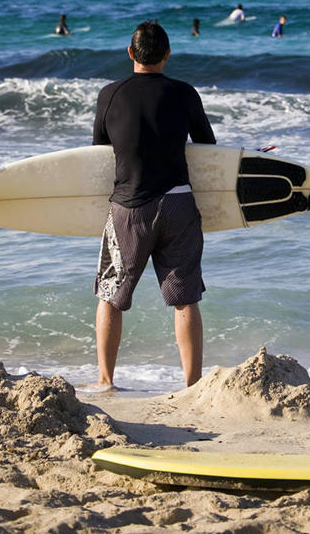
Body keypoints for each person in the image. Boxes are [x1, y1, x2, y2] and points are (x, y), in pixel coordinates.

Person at [92, 20, 216, 390]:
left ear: (130, 54)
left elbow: (99, 150)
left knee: (111, 296)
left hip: (129, 207)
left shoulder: (109, 94)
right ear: (167, 55)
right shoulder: (185, 93)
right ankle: (192, 385)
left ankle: (105, 380)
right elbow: (208, 147)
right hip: (178, 203)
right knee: (185, 298)